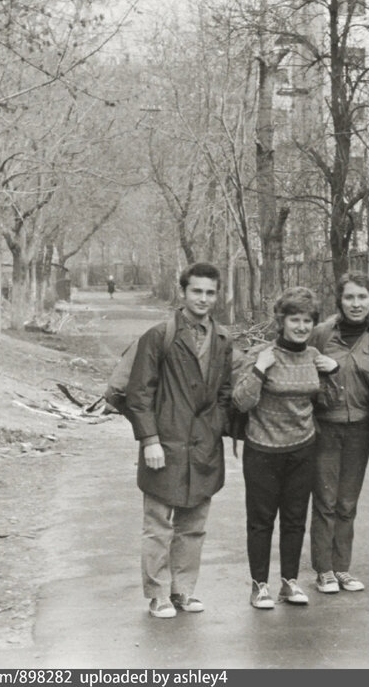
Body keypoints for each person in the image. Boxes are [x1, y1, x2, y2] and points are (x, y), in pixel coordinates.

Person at [124, 262, 233, 619]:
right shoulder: (159, 336)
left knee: (193, 525)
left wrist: (215, 427)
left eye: (210, 292)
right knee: (158, 524)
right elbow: (139, 393)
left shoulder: (222, 339)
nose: (203, 299)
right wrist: (150, 439)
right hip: (165, 444)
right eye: (197, 291)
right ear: (183, 292)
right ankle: (157, 594)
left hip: (204, 446)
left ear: (218, 295)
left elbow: (225, 392)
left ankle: (183, 591)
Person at [231, 286, 340, 609]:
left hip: (302, 449)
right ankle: (259, 586)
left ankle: (289, 583)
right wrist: (260, 369)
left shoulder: (313, 357)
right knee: (261, 520)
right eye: (295, 319)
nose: (302, 327)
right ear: (281, 321)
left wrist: (332, 372)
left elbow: (329, 402)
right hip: (263, 450)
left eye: (308, 320)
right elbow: (241, 402)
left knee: (295, 519)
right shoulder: (263, 355)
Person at [305, 272, 369, 594]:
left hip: (360, 429)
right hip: (324, 426)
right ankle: (323, 569)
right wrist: (317, 366)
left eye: (362, 298)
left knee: (348, 502)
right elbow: (297, 364)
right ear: (339, 301)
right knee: (325, 498)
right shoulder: (321, 334)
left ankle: (342, 568)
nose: (356, 304)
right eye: (350, 297)